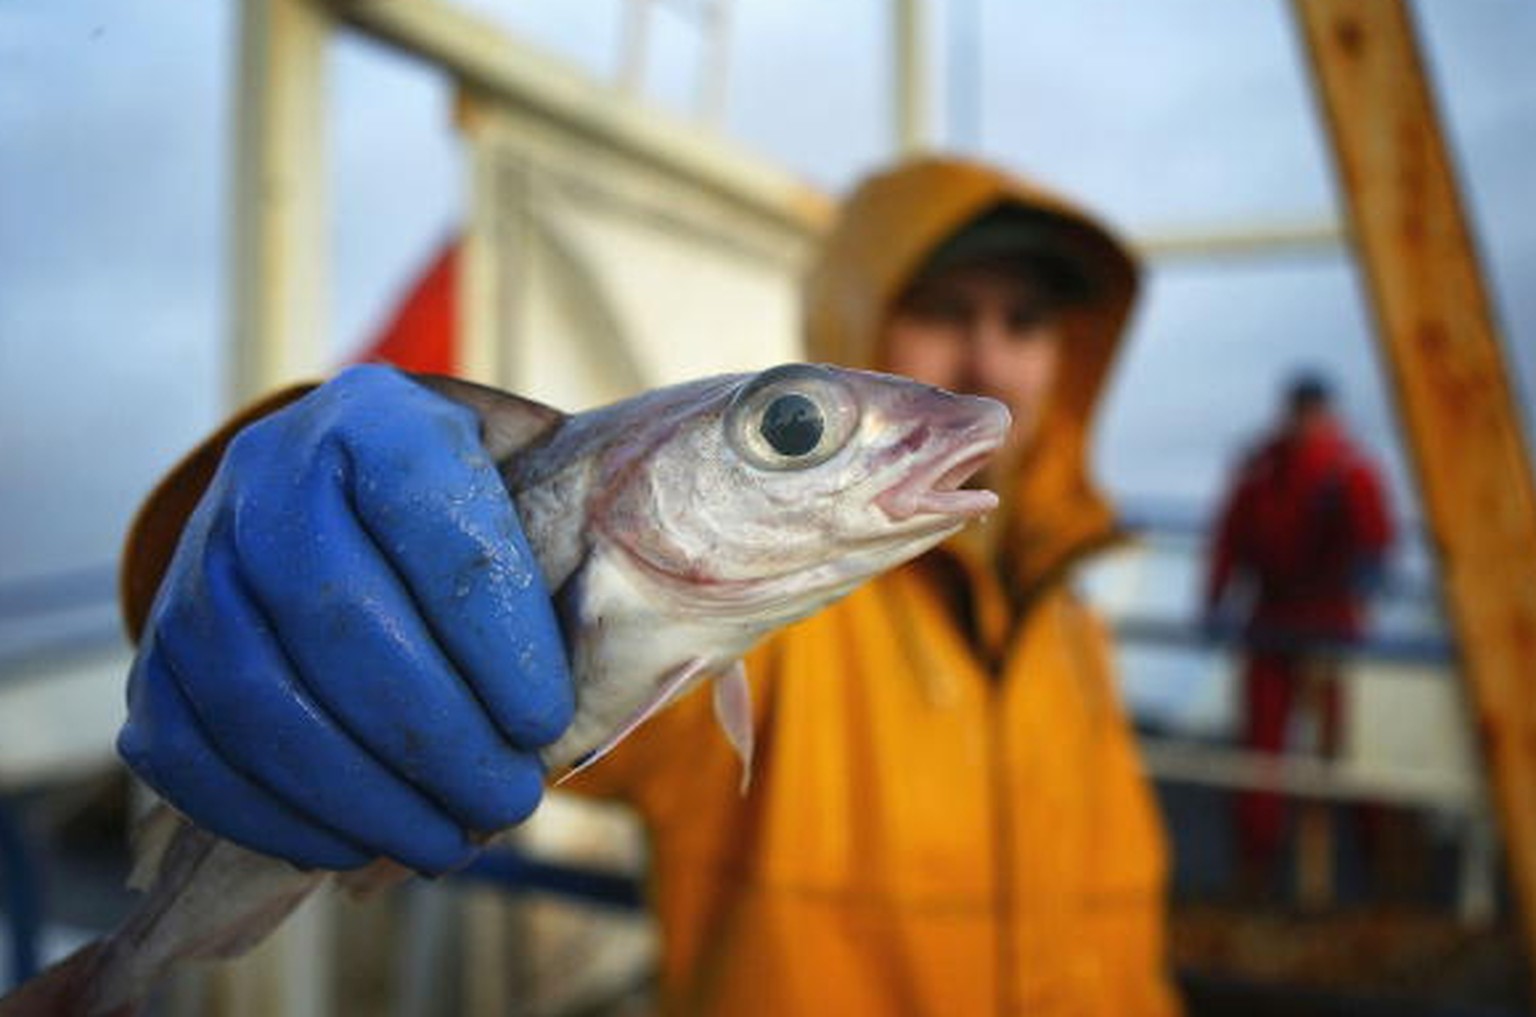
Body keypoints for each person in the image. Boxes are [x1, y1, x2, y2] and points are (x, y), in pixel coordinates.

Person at [117, 156, 1179, 1015]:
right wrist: (253, 555)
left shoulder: (1073, 624)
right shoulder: (777, 620)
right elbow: (433, 648)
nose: (987, 366)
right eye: (946, 310)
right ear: (861, 320)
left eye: (1027, 324)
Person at [1203, 371, 1395, 890]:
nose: (1307, 424)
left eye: (1314, 413)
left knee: (1350, 750)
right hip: (1272, 622)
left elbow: (1376, 538)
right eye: (1300, 413)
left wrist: (1369, 571)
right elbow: (1230, 538)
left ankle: (1380, 863)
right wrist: (1215, 598)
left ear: (1327, 414)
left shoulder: (1349, 472)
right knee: (1261, 755)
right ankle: (1256, 867)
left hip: (1332, 624)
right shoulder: (1261, 471)